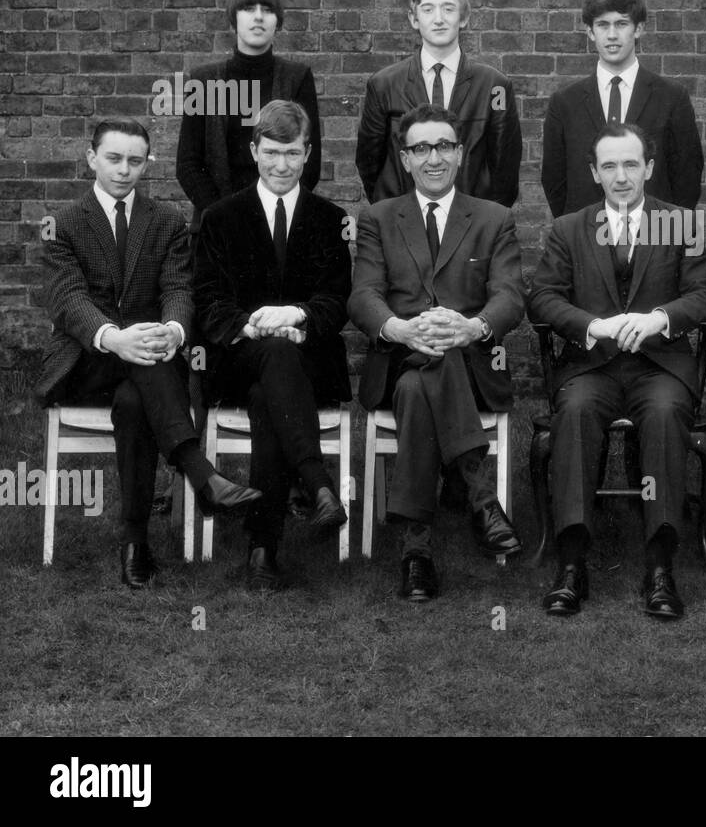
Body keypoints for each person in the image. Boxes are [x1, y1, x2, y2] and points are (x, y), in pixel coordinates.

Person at [38, 119, 259, 589]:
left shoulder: (165, 221)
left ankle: (135, 542)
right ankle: (202, 476)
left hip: (147, 365)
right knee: (145, 365)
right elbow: (68, 299)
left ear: (147, 163)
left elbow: (179, 287)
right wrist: (116, 337)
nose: (124, 170)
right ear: (91, 157)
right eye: (114, 159)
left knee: (137, 402)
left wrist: (174, 330)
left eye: (135, 161)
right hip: (88, 360)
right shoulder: (63, 224)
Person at [528, 123, 706, 619]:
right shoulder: (571, 227)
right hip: (591, 366)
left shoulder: (678, 222)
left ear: (650, 168)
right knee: (572, 412)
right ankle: (572, 564)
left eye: (631, 164)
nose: (621, 176)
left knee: (662, 415)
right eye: (610, 166)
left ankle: (660, 568)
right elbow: (543, 297)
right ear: (595, 172)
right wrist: (590, 324)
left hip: (658, 365)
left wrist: (660, 318)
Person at [349, 104, 526, 603]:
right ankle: (480, 498)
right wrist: (402, 329)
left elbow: (510, 296)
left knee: (422, 380)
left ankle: (416, 551)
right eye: (421, 148)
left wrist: (470, 328)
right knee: (418, 369)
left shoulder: (493, 218)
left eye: (444, 146)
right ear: (404, 159)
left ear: (460, 153)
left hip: (468, 365)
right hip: (400, 353)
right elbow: (364, 295)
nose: (433, 158)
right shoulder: (379, 218)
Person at [192, 100, 353, 591]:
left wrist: (297, 315)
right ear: (254, 150)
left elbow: (337, 299)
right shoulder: (220, 217)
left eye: (293, 153)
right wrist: (254, 326)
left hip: (309, 361)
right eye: (272, 152)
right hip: (237, 359)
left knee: (271, 395)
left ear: (308, 154)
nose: (282, 165)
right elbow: (208, 301)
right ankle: (316, 480)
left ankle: (263, 550)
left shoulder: (330, 218)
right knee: (271, 363)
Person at [356, 0, 521, 207]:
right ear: (414, 19)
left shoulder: (495, 86)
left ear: (463, 18)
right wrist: (393, 211)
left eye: (448, 9)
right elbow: (368, 163)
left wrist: (485, 221)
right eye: (428, 9)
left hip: (472, 224)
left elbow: (505, 168)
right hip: (403, 221)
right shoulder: (383, 84)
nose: (439, 19)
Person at [542, 0, 703, 216]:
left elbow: (687, 176)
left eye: (621, 24)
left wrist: (664, 234)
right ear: (590, 32)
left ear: (638, 29)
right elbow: (554, 180)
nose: (612, 35)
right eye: (603, 25)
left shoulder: (671, 97)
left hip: (654, 236)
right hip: (585, 238)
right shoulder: (565, 102)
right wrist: (576, 232)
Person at [177, 0, 322, 225]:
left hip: (279, 221)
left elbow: (310, 161)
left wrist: (272, 211)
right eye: (248, 8)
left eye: (267, 10)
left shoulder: (297, 78)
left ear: (278, 21)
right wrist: (224, 215)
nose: (258, 17)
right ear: (234, 19)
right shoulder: (203, 80)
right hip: (216, 224)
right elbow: (188, 163)